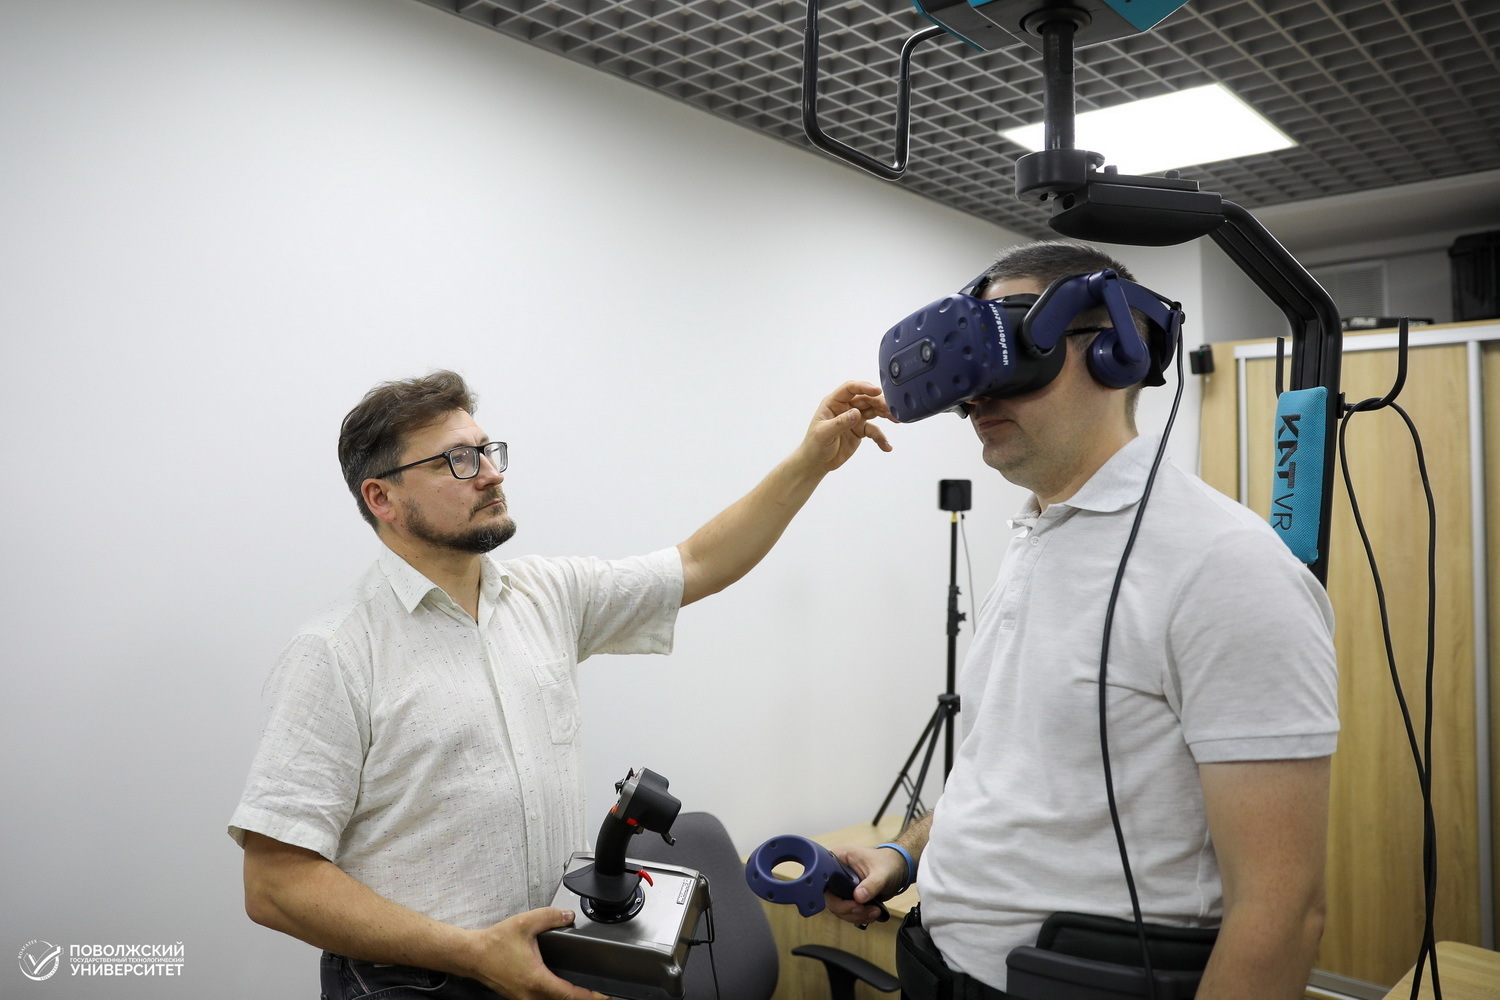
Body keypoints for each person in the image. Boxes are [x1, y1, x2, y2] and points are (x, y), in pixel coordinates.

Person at [229, 370, 892, 1000]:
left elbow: (698, 563)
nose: (490, 473)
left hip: (551, 963)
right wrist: (472, 953)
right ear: (383, 498)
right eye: (457, 460)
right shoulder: (335, 652)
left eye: (487, 451)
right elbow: (276, 883)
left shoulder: (544, 594)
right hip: (414, 982)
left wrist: (811, 461)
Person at [829, 242, 1338, 1000]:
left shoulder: (1224, 567)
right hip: (939, 966)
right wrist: (903, 856)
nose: (977, 394)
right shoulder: (1037, 534)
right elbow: (1008, 772)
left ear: (1116, 352)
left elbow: (1282, 913)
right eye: (968, 367)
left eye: (1008, 354)